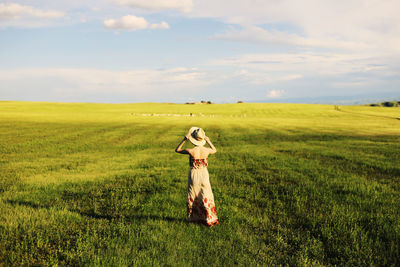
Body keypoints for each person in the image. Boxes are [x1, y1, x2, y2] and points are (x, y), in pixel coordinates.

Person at [175, 127, 219, 227]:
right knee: (206, 194)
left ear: (193, 139)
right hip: (204, 174)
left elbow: (177, 150)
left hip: (194, 174)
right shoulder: (207, 150)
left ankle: (194, 218)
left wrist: (184, 139)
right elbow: (214, 150)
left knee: (193, 195)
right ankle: (209, 218)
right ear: (202, 139)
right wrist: (208, 141)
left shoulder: (190, 150)